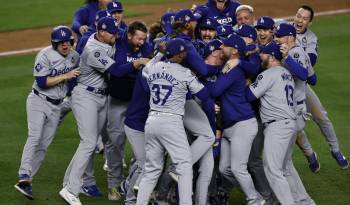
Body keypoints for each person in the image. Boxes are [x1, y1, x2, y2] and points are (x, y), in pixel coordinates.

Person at [59, 17, 142, 205]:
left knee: (86, 142)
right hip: (85, 96)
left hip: (101, 97)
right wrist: (137, 63)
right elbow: (118, 71)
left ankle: (67, 182)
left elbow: (124, 37)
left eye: (116, 31)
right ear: (101, 32)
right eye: (112, 33)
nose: (115, 35)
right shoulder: (93, 50)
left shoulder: (108, 38)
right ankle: (71, 189)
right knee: (89, 142)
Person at [136, 38, 209, 205]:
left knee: (151, 170)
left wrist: (159, 53)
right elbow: (204, 95)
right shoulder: (184, 73)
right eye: (184, 52)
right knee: (184, 167)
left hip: (152, 121)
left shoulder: (153, 68)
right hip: (171, 123)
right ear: (181, 54)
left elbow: (145, 72)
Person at [14, 26, 80, 200]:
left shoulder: (74, 56)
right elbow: (42, 82)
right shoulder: (45, 55)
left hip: (57, 106)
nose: (65, 45)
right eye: (62, 43)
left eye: (68, 42)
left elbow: (79, 75)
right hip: (39, 100)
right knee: (34, 136)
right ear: (55, 43)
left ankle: (27, 182)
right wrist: (65, 76)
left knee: (43, 146)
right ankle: (23, 174)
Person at [293, 5, 349, 171]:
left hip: (301, 85)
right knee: (294, 125)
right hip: (282, 88)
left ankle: (336, 150)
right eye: (298, 16)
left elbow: (310, 62)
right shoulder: (282, 29)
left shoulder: (311, 38)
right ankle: (310, 154)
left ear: (309, 22)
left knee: (321, 116)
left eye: (304, 18)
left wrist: (291, 54)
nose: (299, 20)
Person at [212, 34, 265, 205]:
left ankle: (255, 200)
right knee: (225, 169)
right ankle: (255, 195)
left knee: (237, 168)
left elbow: (215, 90)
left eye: (224, 46)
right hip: (229, 127)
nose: (221, 48)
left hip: (243, 124)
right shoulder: (228, 67)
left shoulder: (235, 70)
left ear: (234, 50)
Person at [103, 20, 152, 201]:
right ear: (129, 35)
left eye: (143, 39)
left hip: (137, 102)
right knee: (115, 141)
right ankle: (113, 185)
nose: (141, 42)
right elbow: (116, 71)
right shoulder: (119, 44)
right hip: (117, 100)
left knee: (140, 142)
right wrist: (136, 63)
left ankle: (129, 181)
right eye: (138, 38)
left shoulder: (147, 47)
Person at [246, 41, 297, 205]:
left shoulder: (269, 74)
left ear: (272, 56)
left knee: (273, 170)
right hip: (288, 124)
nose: (261, 56)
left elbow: (249, 96)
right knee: (280, 169)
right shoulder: (286, 73)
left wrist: (247, 82)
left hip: (278, 126)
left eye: (263, 53)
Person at [274, 23, 317, 205]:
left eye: (279, 36)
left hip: (295, 112)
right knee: (285, 163)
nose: (276, 39)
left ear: (290, 37)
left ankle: (301, 200)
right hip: (296, 112)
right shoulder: (299, 52)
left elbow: (304, 75)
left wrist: (287, 58)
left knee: (283, 165)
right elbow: (313, 78)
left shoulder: (294, 53)